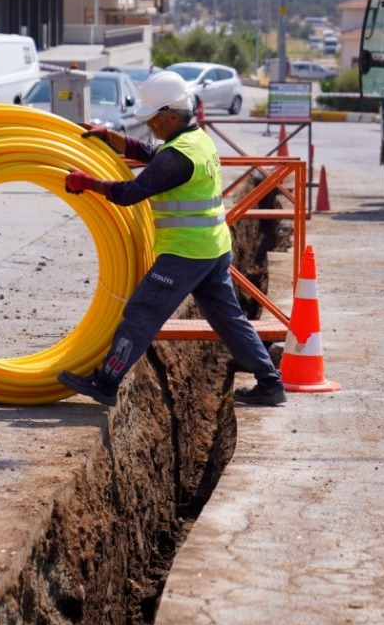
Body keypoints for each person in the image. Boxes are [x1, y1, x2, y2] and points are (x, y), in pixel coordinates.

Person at [57, 71, 286, 408]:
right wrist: (111, 137)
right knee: (228, 320)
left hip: (186, 254)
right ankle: (270, 382)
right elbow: (153, 154)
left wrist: (88, 183)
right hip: (212, 249)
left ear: (172, 115)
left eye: (153, 118)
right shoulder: (196, 141)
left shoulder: (177, 156)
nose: (150, 124)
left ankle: (106, 380)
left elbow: (130, 193)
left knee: (142, 312)